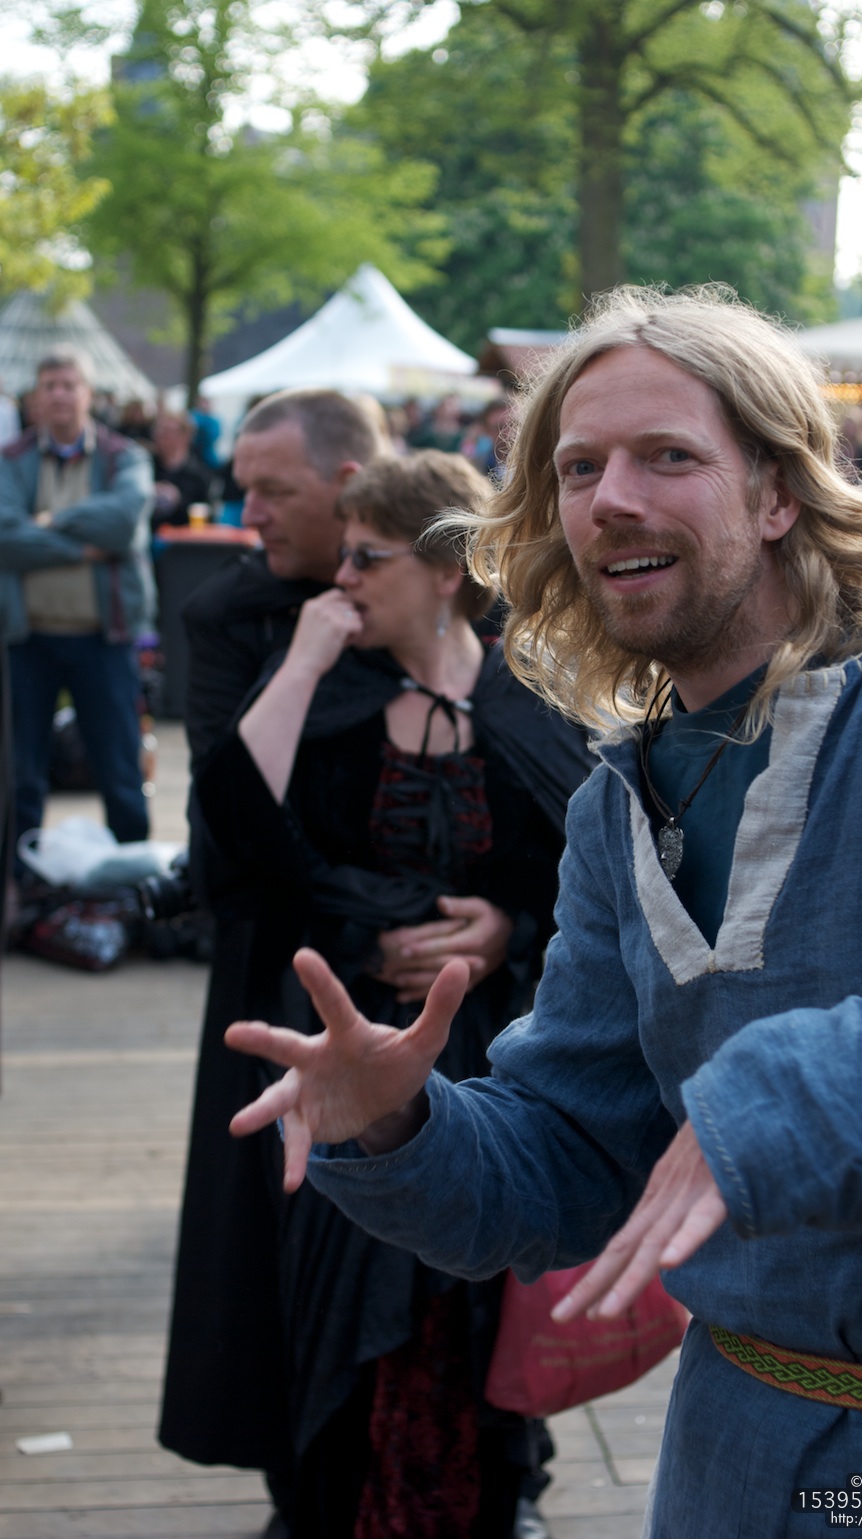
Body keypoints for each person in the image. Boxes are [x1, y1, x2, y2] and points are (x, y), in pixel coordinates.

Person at [227, 286, 862, 1539]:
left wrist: (787, 1098)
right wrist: (397, 1122)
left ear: (777, 494)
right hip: (726, 1452)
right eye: (578, 467)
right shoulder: (620, 804)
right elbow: (573, 1151)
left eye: (668, 456)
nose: (610, 499)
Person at [191, 448, 592, 1537]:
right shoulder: (330, 687)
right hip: (351, 1049)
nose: (343, 579)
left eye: (368, 559)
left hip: (491, 1051)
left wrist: (507, 927)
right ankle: (323, 1507)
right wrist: (301, 663)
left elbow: (584, 867)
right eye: (344, 556)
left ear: (444, 571)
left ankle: (500, 1497)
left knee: (481, 1287)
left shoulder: (524, 690)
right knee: (340, 1285)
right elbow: (236, 836)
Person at [158, 388, 385, 1520]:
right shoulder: (229, 615)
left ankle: (500, 1470)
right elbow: (230, 826)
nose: (245, 513)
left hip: (427, 979)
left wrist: (500, 919)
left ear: (348, 486)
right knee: (277, 1235)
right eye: (242, 485)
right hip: (280, 965)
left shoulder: (453, 586)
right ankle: (300, 1485)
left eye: (270, 490)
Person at [0, 349, 154, 852]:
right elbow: (3, 536)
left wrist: (46, 523)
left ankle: (133, 872)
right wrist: (82, 548)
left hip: (103, 639)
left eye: (69, 384)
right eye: (50, 385)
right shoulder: (10, 459)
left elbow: (123, 523)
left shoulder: (124, 456)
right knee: (20, 770)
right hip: (27, 639)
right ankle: (19, 877)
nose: (60, 394)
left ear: (89, 394)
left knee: (119, 765)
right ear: (35, 397)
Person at [149, 409, 214, 530]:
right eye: (158, 430)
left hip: (181, 537)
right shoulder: (146, 465)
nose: (161, 436)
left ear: (185, 437)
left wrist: (179, 500)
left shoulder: (198, 473)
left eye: (168, 431)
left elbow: (207, 514)